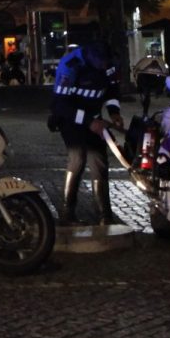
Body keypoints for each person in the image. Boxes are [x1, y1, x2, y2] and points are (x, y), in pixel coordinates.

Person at [49, 39, 120, 224]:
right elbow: (60, 105)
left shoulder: (108, 64)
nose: (104, 66)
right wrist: (89, 122)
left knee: (99, 161)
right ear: (91, 57)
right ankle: (67, 213)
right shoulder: (70, 65)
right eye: (101, 63)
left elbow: (112, 89)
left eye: (107, 63)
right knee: (78, 157)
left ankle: (105, 215)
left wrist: (114, 112)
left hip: (94, 117)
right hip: (71, 118)